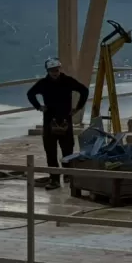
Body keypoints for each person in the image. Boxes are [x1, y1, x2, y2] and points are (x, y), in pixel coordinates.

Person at [26, 58, 89, 190]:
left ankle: (67, 175)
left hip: (65, 119)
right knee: (51, 151)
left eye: (56, 70)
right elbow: (30, 94)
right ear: (48, 71)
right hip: (49, 120)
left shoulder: (68, 81)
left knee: (67, 149)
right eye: (52, 71)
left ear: (59, 69)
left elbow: (84, 91)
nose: (54, 73)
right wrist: (39, 107)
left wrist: (78, 108)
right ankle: (54, 179)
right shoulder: (43, 84)